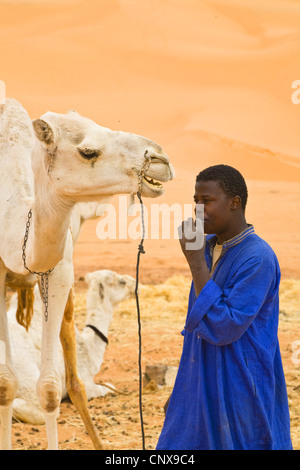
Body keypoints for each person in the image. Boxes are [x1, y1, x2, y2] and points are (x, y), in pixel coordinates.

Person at [156, 164, 292, 450]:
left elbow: (224, 325)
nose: (198, 210)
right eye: (195, 201)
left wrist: (194, 262)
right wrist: (185, 389)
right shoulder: (206, 248)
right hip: (202, 379)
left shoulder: (258, 258)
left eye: (206, 201)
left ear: (234, 203)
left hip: (240, 385)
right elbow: (198, 327)